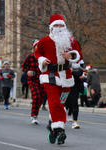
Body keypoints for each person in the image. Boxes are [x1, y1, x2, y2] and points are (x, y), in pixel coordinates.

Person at [34, 14, 83, 145]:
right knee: (54, 103)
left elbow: (78, 55)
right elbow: (37, 53)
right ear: (51, 27)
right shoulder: (44, 41)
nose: (59, 28)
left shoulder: (71, 40)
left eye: (61, 25)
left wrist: (70, 55)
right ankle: (60, 130)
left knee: (60, 104)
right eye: (56, 25)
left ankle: (52, 126)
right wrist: (43, 60)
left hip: (66, 76)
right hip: (50, 76)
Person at [22, 39, 45, 124]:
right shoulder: (30, 57)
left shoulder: (44, 57)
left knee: (41, 98)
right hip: (32, 79)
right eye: (37, 46)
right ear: (34, 47)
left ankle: (36, 113)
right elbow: (23, 66)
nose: (38, 47)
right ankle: (33, 115)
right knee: (36, 96)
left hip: (42, 79)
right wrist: (27, 71)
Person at [65, 63, 83, 129]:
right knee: (65, 102)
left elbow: (80, 73)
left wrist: (72, 71)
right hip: (65, 84)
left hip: (75, 85)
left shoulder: (77, 61)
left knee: (74, 102)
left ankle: (75, 121)